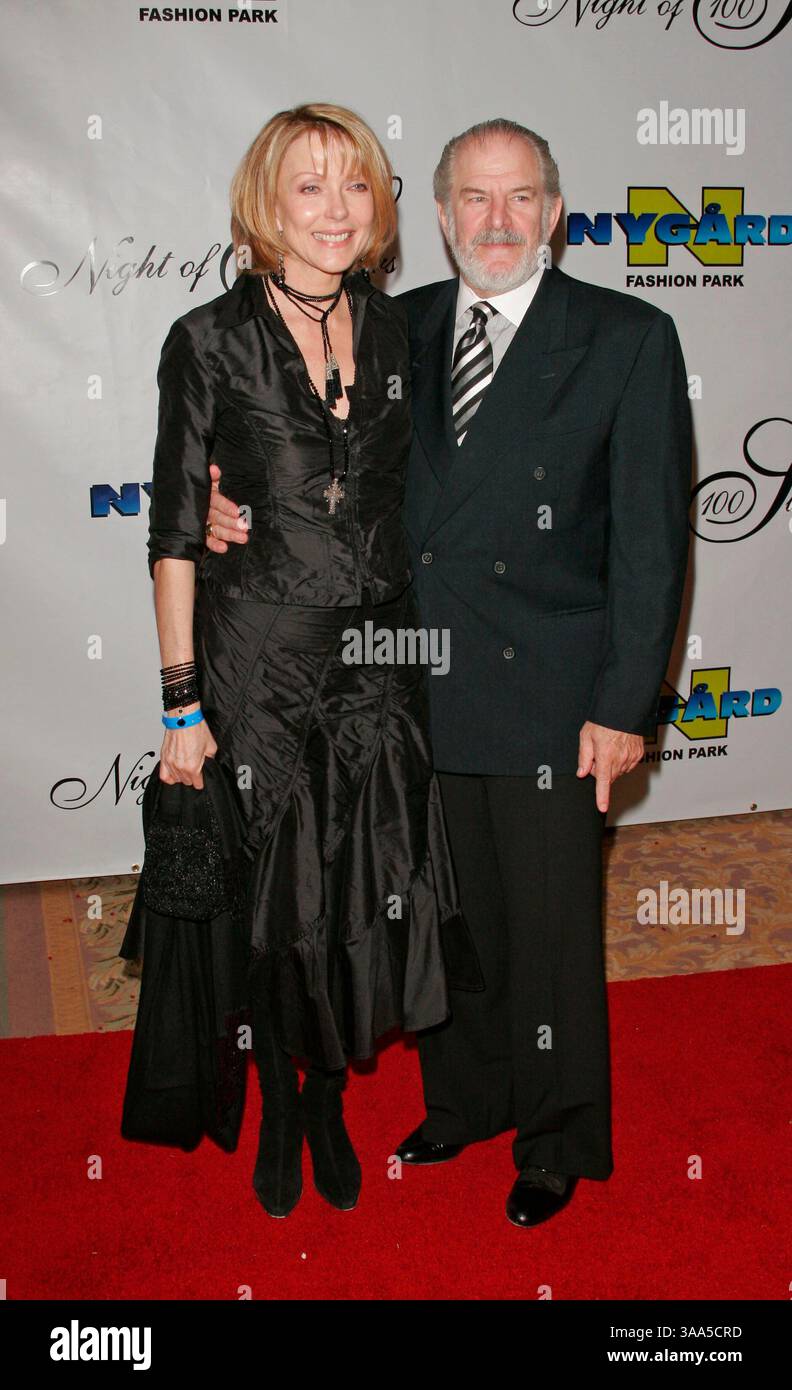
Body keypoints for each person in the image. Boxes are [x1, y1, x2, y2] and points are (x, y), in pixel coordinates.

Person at [206, 118, 692, 1230]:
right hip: (410, 688)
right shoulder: (398, 328)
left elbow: (655, 546)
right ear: (437, 216)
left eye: (522, 198)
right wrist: (215, 498)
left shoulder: (627, 336)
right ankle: (465, 1099)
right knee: (443, 917)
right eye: (474, 198)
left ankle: (559, 1135)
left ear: (556, 214)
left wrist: (625, 707)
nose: (499, 221)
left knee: (550, 935)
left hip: (551, 698)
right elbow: (305, 457)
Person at [144, 103, 465, 1220]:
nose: (338, 209)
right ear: (264, 204)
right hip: (259, 658)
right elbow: (177, 532)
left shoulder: (398, 331)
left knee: (358, 882)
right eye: (311, 186)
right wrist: (182, 703)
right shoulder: (207, 342)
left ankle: (330, 1093)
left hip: (380, 653)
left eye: (358, 185)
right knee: (274, 898)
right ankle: (282, 1099)